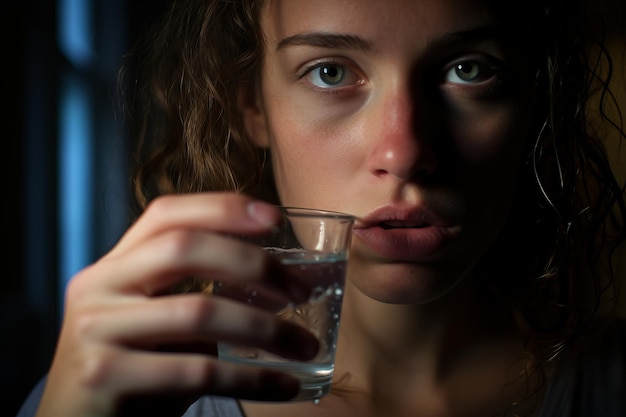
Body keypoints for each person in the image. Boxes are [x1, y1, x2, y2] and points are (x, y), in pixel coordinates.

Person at [16, 0, 626, 416]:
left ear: (535, 103)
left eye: (469, 70)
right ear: (253, 109)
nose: (405, 152)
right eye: (330, 71)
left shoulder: (610, 384)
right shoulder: (123, 394)